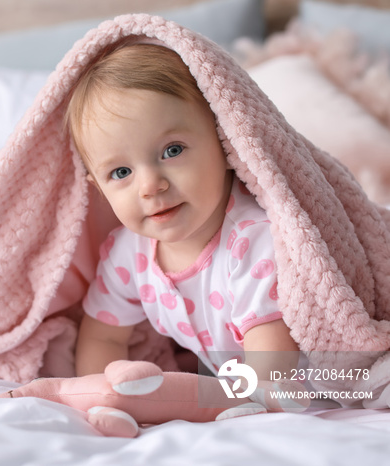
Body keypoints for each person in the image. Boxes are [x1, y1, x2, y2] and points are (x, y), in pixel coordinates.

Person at [66, 41, 299, 382]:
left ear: (224, 140)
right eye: (120, 173)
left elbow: (270, 375)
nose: (150, 185)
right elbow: (104, 336)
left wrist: (201, 404)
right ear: (99, 188)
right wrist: (106, 396)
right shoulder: (128, 254)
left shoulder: (255, 240)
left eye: (172, 150)